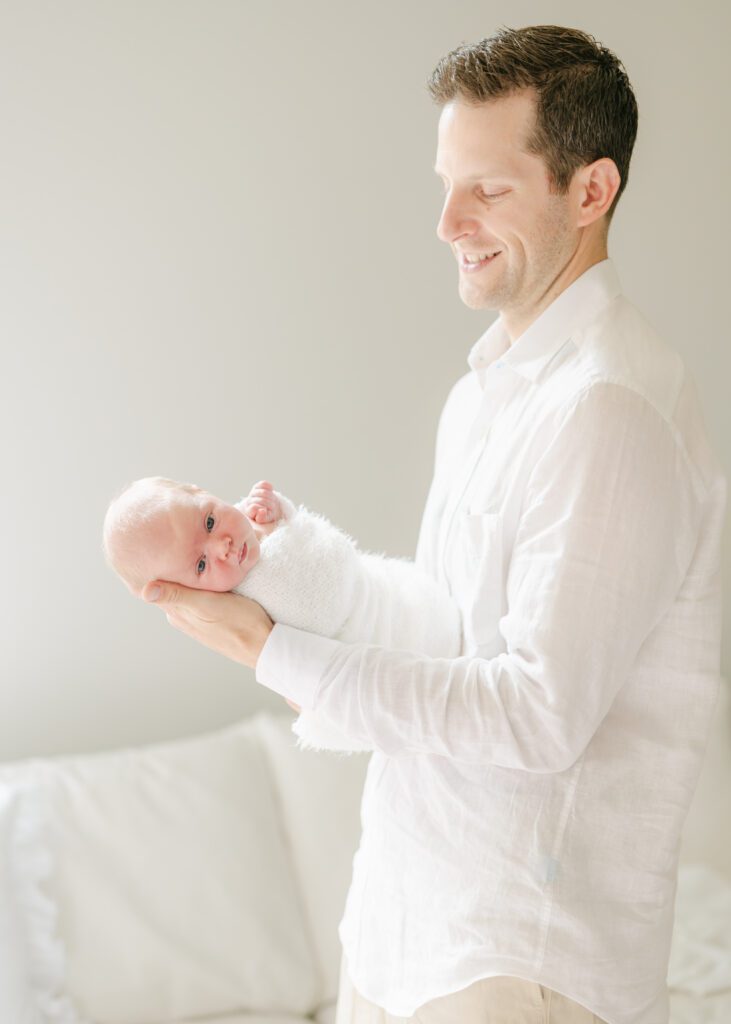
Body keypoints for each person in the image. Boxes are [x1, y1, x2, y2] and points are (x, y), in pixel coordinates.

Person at [140, 24, 726, 1024]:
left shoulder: (609, 408)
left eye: (487, 189)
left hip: (521, 964)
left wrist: (273, 653)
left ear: (589, 192)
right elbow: (436, 623)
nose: (447, 220)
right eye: (445, 184)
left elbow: (534, 716)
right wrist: (282, 571)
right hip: (405, 925)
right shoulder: (489, 391)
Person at [103, 476, 461, 753]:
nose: (222, 546)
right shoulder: (238, 608)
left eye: (210, 521)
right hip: (405, 660)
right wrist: (284, 536)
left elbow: (335, 559)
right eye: (200, 564)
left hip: (406, 602)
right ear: (189, 596)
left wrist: (277, 518)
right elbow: (321, 600)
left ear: (202, 491)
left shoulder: (251, 524)